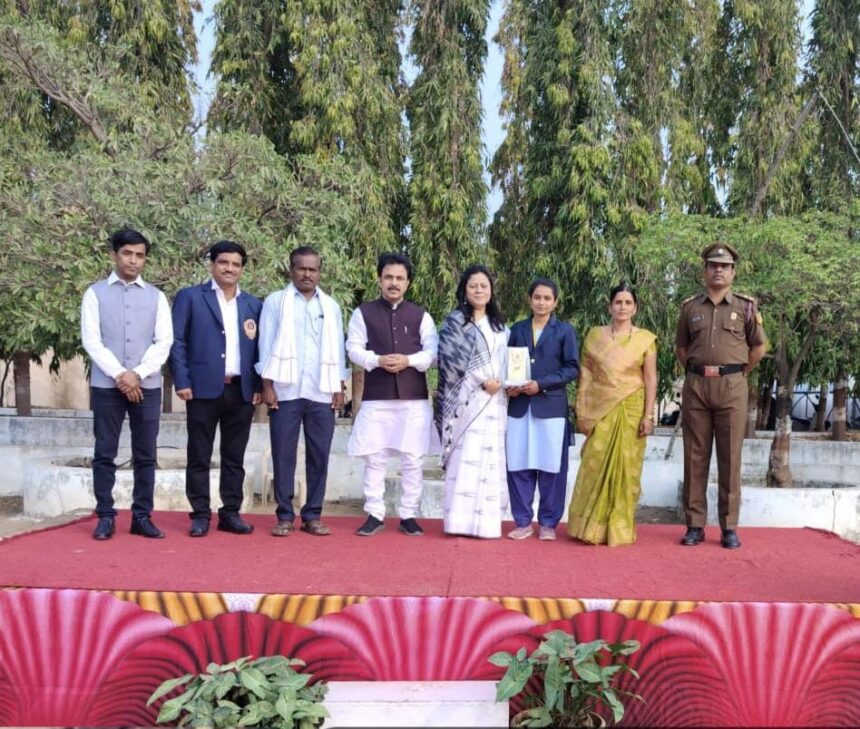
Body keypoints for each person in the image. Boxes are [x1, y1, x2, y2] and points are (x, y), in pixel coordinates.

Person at [80, 228, 173, 540]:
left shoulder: (157, 297)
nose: (133, 260)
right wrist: (122, 375)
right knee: (104, 452)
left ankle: (142, 516)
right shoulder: (94, 294)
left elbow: (164, 342)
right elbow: (92, 341)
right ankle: (105, 515)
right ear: (114, 255)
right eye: (127, 253)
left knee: (145, 454)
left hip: (147, 386)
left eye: (139, 255)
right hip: (107, 387)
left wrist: (138, 374)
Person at [675, 243, 766, 549]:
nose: (718, 270)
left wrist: (737, 373)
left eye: (724, 266)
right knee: (694, 457)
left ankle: (729, 527)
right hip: (697, 386)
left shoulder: (746, 307)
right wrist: (698, 371)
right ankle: (695, 525)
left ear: (733, 272)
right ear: (704, 271)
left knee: (730, 457)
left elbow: (758, 347)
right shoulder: (690, 308)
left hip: (732, 387)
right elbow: (681, 348)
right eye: (713, 265)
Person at [170, 240, 262, 537]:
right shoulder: (191, 297)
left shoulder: (253, 304)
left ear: (242, 269)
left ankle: (230, 513)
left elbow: (260, 349)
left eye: (236, 264)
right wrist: (182, 380)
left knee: (234, 456)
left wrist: (258, 385)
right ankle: (200, 514)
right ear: (212, 264)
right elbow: (177, 341)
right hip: (201, 390)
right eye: (223, 262)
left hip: (241, 391)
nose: (229, 268)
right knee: (199, 454)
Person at [258, 246, 348, 537]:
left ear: (319, 272)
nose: (308, 274)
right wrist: (267, 385)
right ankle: (285, 515)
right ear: (291, 270)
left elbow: (338, 349)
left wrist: (338, 386)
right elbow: (265, 344)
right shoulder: (275, 302)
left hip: (321, 390)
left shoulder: (331, 306)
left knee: (319, 455)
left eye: (313, 269)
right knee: (283, 454)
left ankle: (313, 515)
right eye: (302, 268)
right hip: (285, 390)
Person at [347, 252, 439, 536]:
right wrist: (377, 360)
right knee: (374, 458)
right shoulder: (363, 313)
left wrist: (408, 361)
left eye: (400, 278)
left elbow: (433, 354)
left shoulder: (421, 316)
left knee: (413, 459)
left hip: (413, 399)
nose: (394, 283)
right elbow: (353, 348)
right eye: (388, 277)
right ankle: (374, 513)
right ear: (379, 279)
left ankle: (408, 515)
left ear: (408, 282)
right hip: (377, 398)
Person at [567, 283, 657, 546]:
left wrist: (648, 415)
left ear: (635, 308)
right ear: (609, 306)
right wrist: (584, 410)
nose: (623, 307)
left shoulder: (645, 339)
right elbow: (586, 375)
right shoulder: (595, 336)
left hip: (632, 409)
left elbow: (651, 378)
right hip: (601, 409)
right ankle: (588, 529)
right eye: (618, 302)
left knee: (627, 470)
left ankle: (618, 530)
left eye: (628, 303)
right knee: (594, 464)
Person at [435, 265, 509, 538]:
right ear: (464, 291)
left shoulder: (500, 326)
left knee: (490, 458)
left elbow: (507, 360)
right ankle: (458, 522)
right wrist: (481, 379)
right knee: (465, 456)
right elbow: (449, 363)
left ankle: (487, 525)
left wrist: (501, 381)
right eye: (473, 286)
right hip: (467, 400)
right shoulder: (455, 322)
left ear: (491, 291)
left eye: (484, 286)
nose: (479, 290)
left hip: (496, 401)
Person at [506, 278, 580, 541]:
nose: (541, 302)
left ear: (555, 302)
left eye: (547, 298)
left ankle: (548, 523)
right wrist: (510, 386)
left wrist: (541, 384)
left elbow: (572, 368)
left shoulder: (564, 331)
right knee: (518, 464)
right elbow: (507, 363)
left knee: (551, 468)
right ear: (530, 300)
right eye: (537, 297)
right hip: (519, 406)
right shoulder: (517, 329)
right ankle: (523, 521)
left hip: (550, 406)